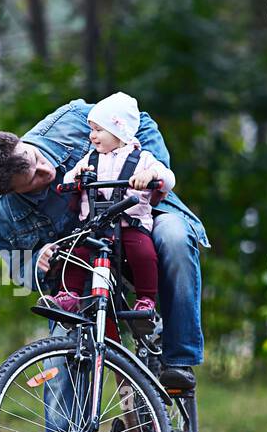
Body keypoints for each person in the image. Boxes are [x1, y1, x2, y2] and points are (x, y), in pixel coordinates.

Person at [0, 95, 209, 432]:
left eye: (35, 160)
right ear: (11, 191)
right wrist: (40, 254)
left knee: (175, 239)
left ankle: (178, 358)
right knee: (64, 362)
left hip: (142, 222)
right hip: (81, 269)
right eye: (33, 180)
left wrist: (151, 169)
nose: (44, 171)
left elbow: (142, 119)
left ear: (21, 143)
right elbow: (22, 267)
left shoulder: (72, 121)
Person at [44, 92, 174, 318]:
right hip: (95, 225)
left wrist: (150, 174)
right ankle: (69, 297)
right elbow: (67, 181)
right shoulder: (89, 159)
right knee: (76, 252)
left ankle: (145, 300)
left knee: (143, 252)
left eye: (98, 129)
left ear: (119, 130)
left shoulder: (143, 159)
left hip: (130, 225)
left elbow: (168, 179)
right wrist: (77, 176)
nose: (92, 136)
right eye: (91, 129)